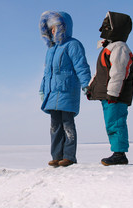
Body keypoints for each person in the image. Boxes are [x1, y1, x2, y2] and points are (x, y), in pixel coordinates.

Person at [39, 11, 91, 167]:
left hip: (67, 91)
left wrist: (86, 84)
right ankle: (56, 156)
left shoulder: (73, 44)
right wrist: (42, 90)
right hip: (51, 93)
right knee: (55, 126)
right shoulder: (51, 50)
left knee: (67, 124)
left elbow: (81, 66)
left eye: (56, 27)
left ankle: (69, 156)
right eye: (51, 28)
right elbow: (47, 73)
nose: (53, 31)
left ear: (64, 27)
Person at [86, 11, 133, 166]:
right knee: (111, 122)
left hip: (116, 95)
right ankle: (117, 151)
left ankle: (120, 154)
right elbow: (99, 73)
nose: (103, 28)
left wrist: (113, 93)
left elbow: (118, 72)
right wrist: (91, 88)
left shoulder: (119, 48)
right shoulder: (108, 47)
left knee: (116, 122)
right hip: (108, 95)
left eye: (107, 24)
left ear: (116, 27)